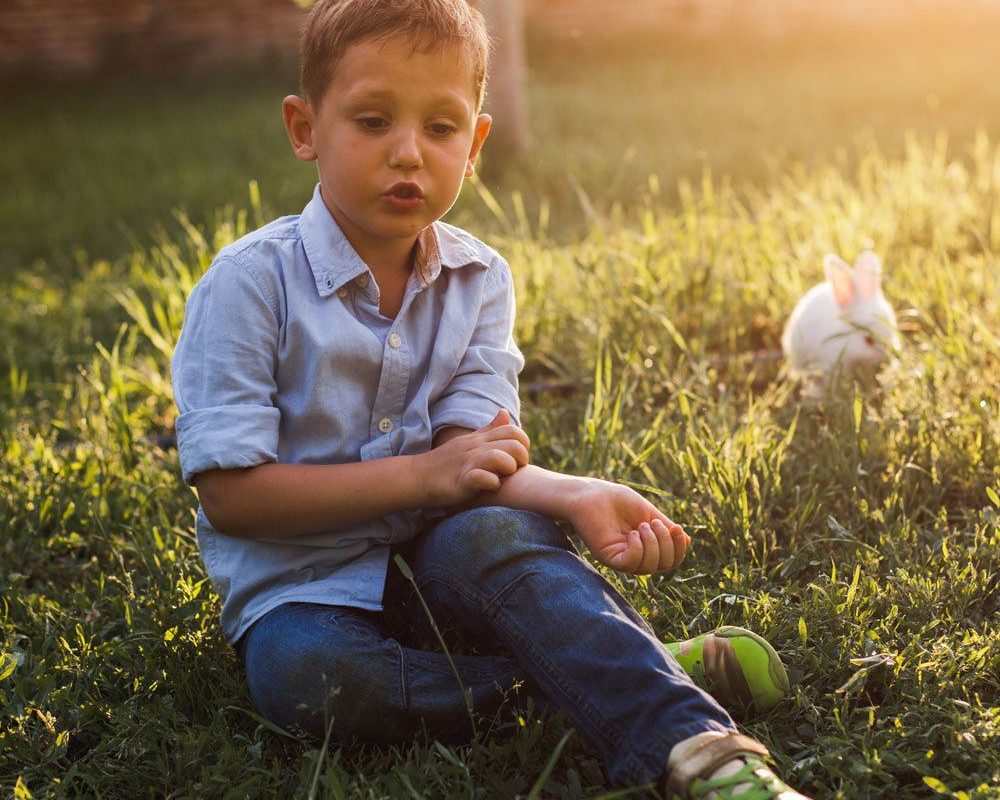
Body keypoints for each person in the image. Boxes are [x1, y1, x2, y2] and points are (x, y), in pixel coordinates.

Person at [170, 1, 811, 797]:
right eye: (372, 121)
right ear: (305, 129)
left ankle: (702, 751)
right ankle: (621, 669)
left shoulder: (479, 280)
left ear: (474, 144)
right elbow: (232, 497)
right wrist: (423, 479)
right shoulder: (247, 286)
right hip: (305, 594)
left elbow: (473, 463)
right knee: (305, 677)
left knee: (502, 532)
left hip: (445, 564)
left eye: (440, 129)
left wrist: (574, 494)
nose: (408, 153)